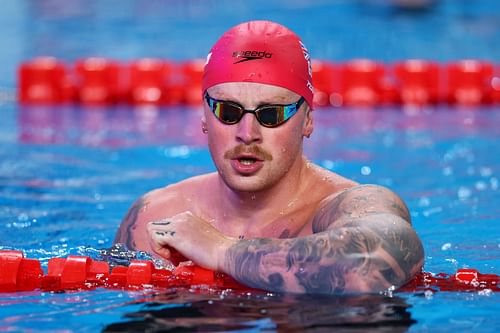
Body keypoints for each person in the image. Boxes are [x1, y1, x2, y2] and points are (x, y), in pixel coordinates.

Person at [114, 20, 424, 294]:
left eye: (271, 114)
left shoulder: (347, 206)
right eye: (228, 111)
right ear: (204, 117)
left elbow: (378, 261)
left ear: (307, 120)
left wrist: (222, 250)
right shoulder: (151, 216)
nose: (247, 133)